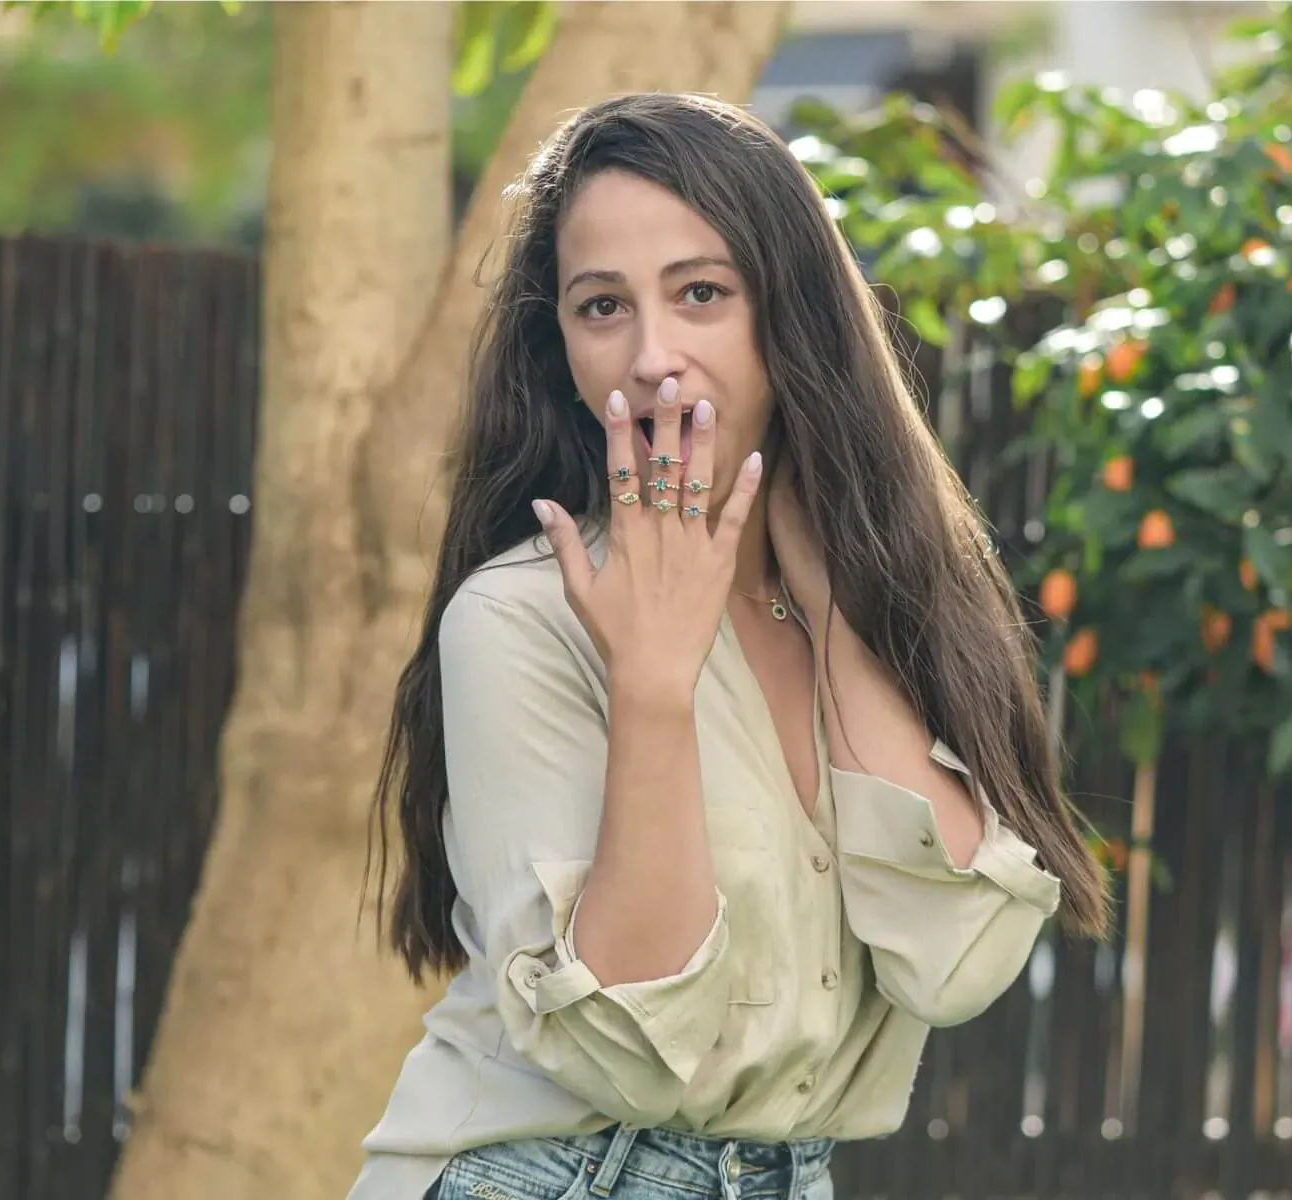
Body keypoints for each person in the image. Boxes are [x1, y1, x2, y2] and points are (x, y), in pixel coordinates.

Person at [352, 91, 1109, 1200]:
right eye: (602, 307)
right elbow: (630, 1041)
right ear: (558, 346)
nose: (654, 356)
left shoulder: (885, 604)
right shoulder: (519, 620)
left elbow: (953, 961)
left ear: (789, 315)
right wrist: (651, 681)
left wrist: (835, 591)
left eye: (701, 293)